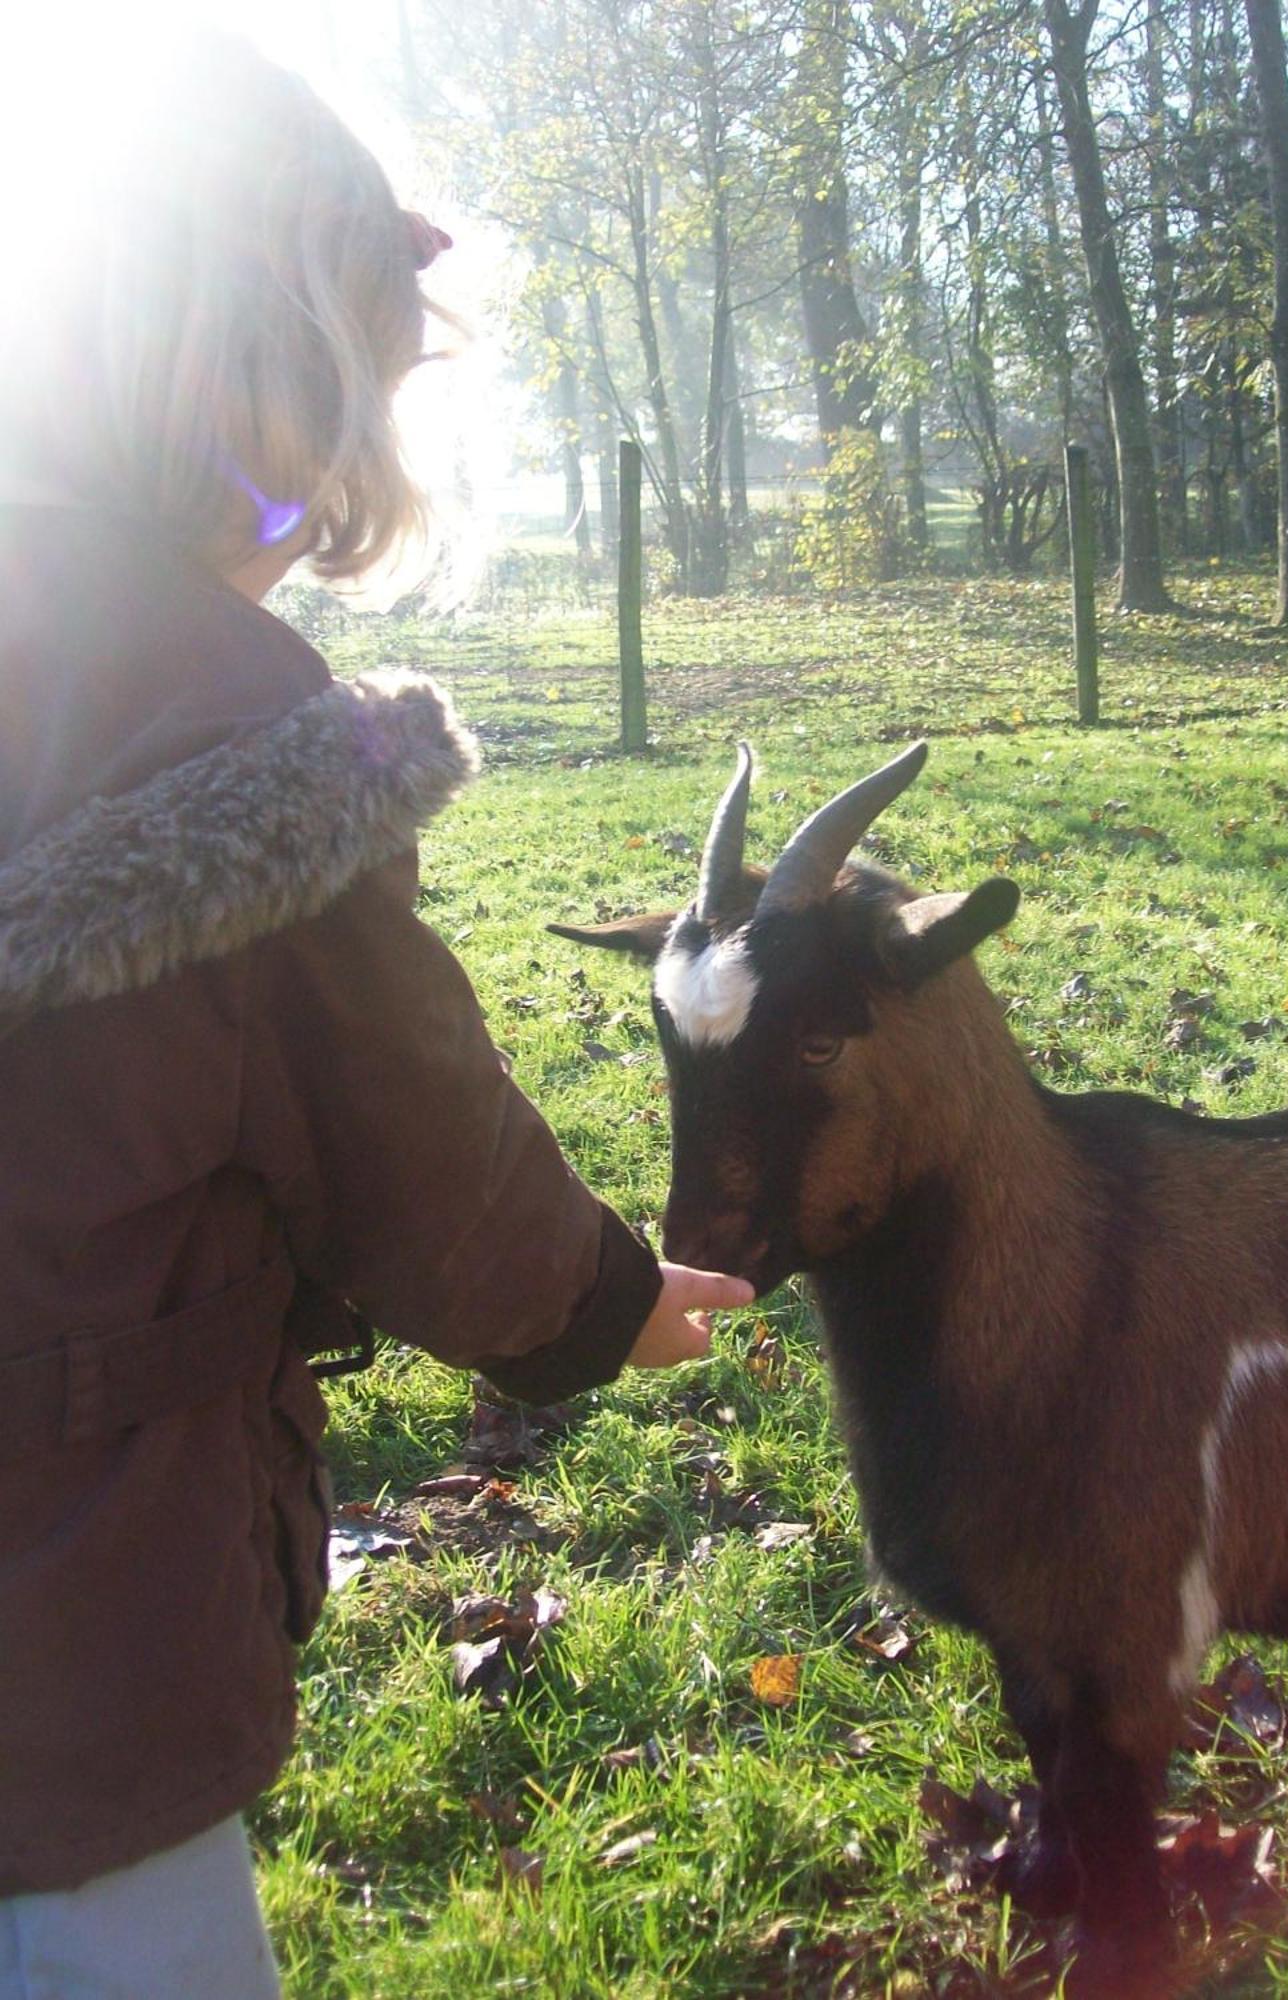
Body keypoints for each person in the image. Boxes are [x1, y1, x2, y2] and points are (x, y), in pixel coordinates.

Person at [0, 31, 751, 1999]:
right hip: (64, 1654)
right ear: (241, 380)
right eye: (342, 428)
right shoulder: (244, 742)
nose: (339, 510)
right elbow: (422, 1150)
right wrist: (601, 1298)